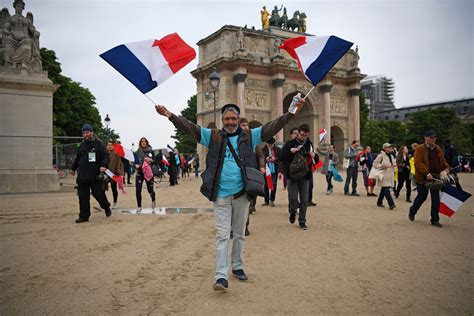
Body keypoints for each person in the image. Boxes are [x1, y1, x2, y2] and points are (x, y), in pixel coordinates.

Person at [155, 99, 304, 291]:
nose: (231, 122)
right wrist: (170, 115)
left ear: (238, 119)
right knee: (222, 235)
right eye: (227, 118)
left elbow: (273, 125)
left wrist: (291, 112)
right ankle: (221, 276)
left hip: (242, 193)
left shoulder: (251, 136)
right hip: (220, 194)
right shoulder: (212, 136)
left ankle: (238, 266)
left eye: (234, 118)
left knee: (240, 234)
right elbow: (189, 127)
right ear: (222, 119)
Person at [71, 124, 111, 223]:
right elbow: (77, 158)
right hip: (82, 176)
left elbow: (105, 156)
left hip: (94, 176)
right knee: (83, 197)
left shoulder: (99, 145)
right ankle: (84, 216)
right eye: (84, 133)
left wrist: (103, 165)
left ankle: (106, 206)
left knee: (99, 194)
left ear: (92, 132)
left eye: (87, 132)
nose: (86, 134)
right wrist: (73, 169)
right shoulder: (81, 145)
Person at [409, 130, 450, 228]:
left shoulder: (437, 148)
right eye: (431, 137)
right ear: (425, 138)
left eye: (435, 137)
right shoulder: (419, 149)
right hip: (423, 177)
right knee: (422, 196)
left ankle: (435, 219)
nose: (433, 139)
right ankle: (413, 210)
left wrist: (446, 170)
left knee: (435, 199)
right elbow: (417, 163)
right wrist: (426, 173)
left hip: (435, 177)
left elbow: (443, 162)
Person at [279, 123, 315, 230]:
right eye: (302, 135)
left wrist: (314, 156)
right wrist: (290, 152)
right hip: (292, 175)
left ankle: (302, 221)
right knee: (293, 197)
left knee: (304, 200)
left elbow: (315, 161)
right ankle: (293, 211)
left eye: (306, 135)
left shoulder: (309, 144)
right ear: (298, 133)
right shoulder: (290, 144)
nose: (304, 137)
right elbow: (280, 157)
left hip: (305, 175)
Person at [134, 137, 157, 212]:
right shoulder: (137, 152)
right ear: (140, 143)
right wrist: (135, 165)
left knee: (150, 190)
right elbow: (134, 162)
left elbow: (155, 162)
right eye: (142, 141)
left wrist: (151, 160)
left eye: (144, 141)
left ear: (147, 143)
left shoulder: (151, 151)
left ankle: (153, 200)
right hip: (140, 172)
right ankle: (139, 206)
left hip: (148, 173)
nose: (143, 143)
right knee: (138, 190)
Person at [373, 143, 397, 209]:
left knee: (384, 188)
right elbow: (375, 164)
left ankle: (379, 202)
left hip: (390, 175)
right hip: (383, 175)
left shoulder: (392, 156)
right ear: (385, 148)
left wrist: (394, 170)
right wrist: (382, 166)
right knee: (386, 189)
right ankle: (391, 204)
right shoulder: (380, 156)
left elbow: (393, 164)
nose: (390, 148)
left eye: (391, 147)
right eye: (389, 147)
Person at [262, 138, 281, 207]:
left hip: (275, 169)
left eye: (271, 144)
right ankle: (266, 201)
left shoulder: (278, 150)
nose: (270, 145)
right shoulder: (263, 150)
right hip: (266, 169)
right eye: (268, 144)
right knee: (266, 185)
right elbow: (260, 158)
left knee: (274, 184)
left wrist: (275, 158)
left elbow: (281, 159)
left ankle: (272, 200)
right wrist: (265, 159)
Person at [106, 141, 125, 209]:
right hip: (105, 172)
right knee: (101, 188)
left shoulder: (116, 154)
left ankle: (115, 202)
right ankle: (103, 203)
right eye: (108, 145)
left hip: (113, 173)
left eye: (111, 145)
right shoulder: (104, 153)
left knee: (114, 188)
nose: (109, 146)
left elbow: (119, 163)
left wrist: (119, 172)